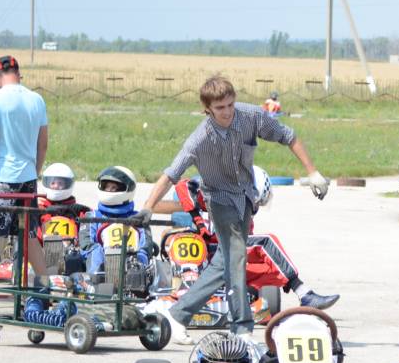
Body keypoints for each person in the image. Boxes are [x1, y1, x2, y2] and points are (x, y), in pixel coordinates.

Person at [138, 75, 328, 345]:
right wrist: (148, 208)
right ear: (207, 109)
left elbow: (289, 136)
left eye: (230, 105)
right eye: (220, 108)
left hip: (245, 198)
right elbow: (171, 174)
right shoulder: (199, 140)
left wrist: (313, 172)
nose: (227, 112)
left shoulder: (251, 116)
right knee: (237, 256)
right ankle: (241, 328)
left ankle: (177, 315)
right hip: (219, 201)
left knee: (224, 263)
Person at [148, 167, 339, 309]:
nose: (253, 209)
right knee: (266, 241)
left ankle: (238, 296)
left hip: (223, 259)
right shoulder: (210, 195)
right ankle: (304, 293)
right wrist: (198, 219)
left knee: (267, 265)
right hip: (199, 253)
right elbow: (182, 186)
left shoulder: (246, 221)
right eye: (254, 203)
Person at [0, 56, 49, 306]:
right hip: (28, 177)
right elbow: (43, 144)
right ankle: (46, 288)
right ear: (18, 72)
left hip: (3, 176)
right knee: (29, 233)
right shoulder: (36, 99)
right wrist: (35, 170)